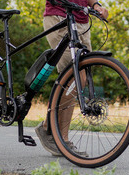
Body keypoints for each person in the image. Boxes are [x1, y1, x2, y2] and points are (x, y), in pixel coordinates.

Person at [34, 0, 108, 157]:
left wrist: (96, 5)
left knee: (80, 79)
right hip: (60, 16)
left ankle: (49, 128)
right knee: (74, 78)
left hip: (82, 22)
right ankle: (61, 139)